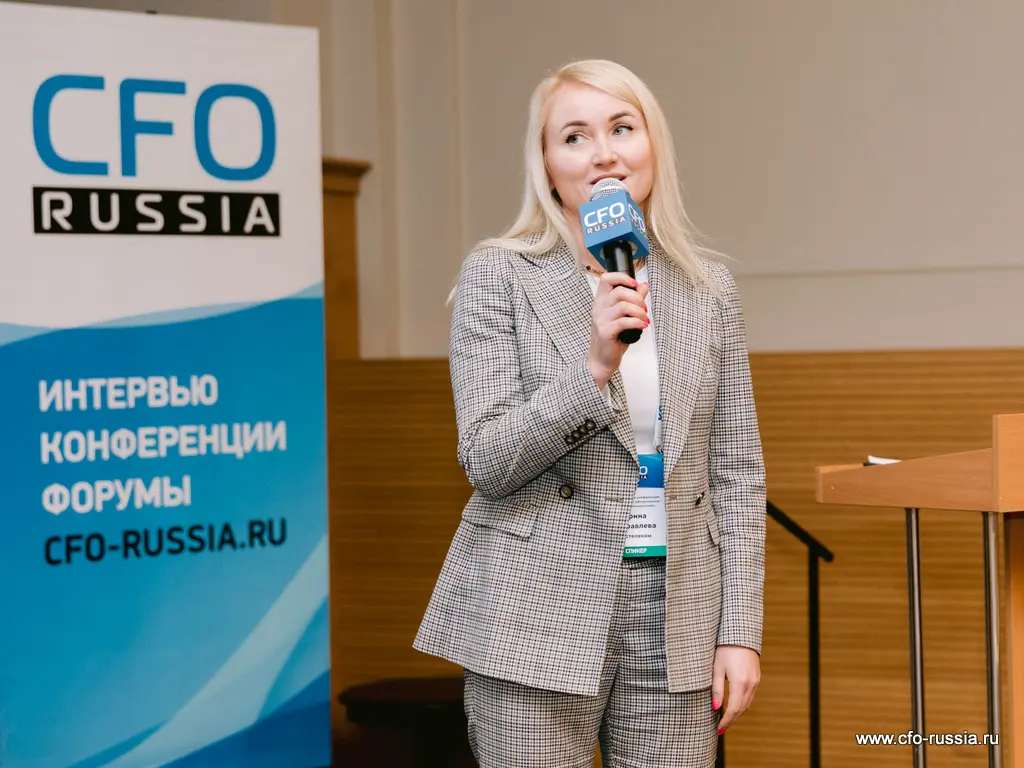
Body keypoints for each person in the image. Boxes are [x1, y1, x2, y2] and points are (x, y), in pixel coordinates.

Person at [414, 58, 766, 768]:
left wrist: (740, 630)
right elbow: (487, 460)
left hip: (677, 611)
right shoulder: (500, 274)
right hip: (533, 609)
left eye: (621, 128)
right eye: (573, 137)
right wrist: (594, 366)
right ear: (548, 167)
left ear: (652, 145)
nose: (603, 152)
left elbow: (736, 471)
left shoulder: (708, 288)